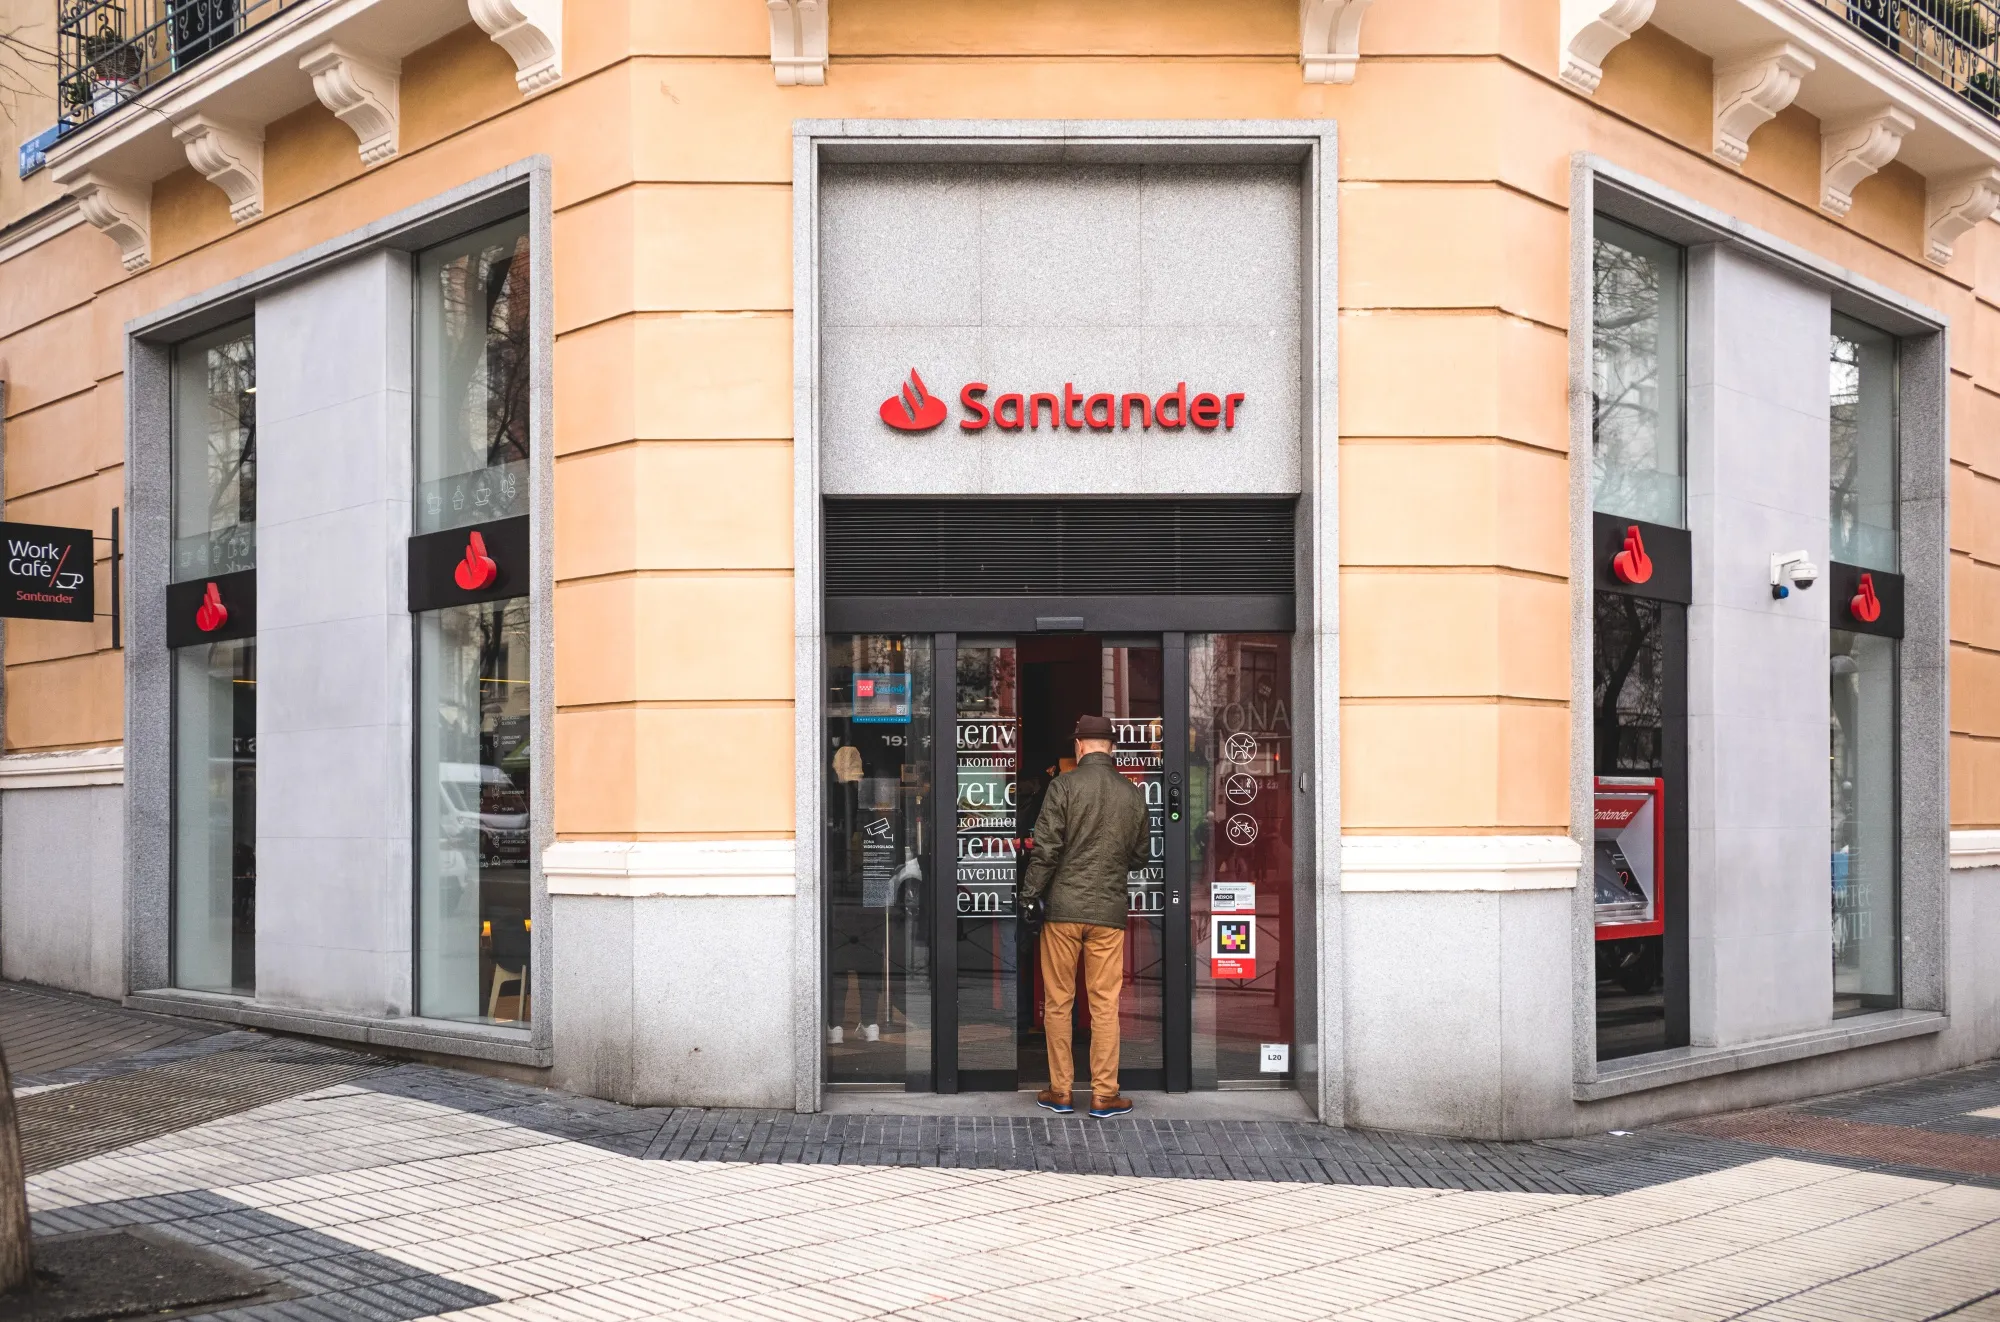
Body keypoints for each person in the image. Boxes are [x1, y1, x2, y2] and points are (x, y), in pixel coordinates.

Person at [1019, 713, 1150, 1118]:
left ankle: (1060, 1091)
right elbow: (1141, 855)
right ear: (1112, 747)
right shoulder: (1132, 794)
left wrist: (1029, 896)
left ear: (1079, 746)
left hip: (1062, 911)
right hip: (1108, 912)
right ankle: (1104, 1094)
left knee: (1059, 1003)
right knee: (1105, 1004)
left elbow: (1046, 851)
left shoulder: (1063, 786)